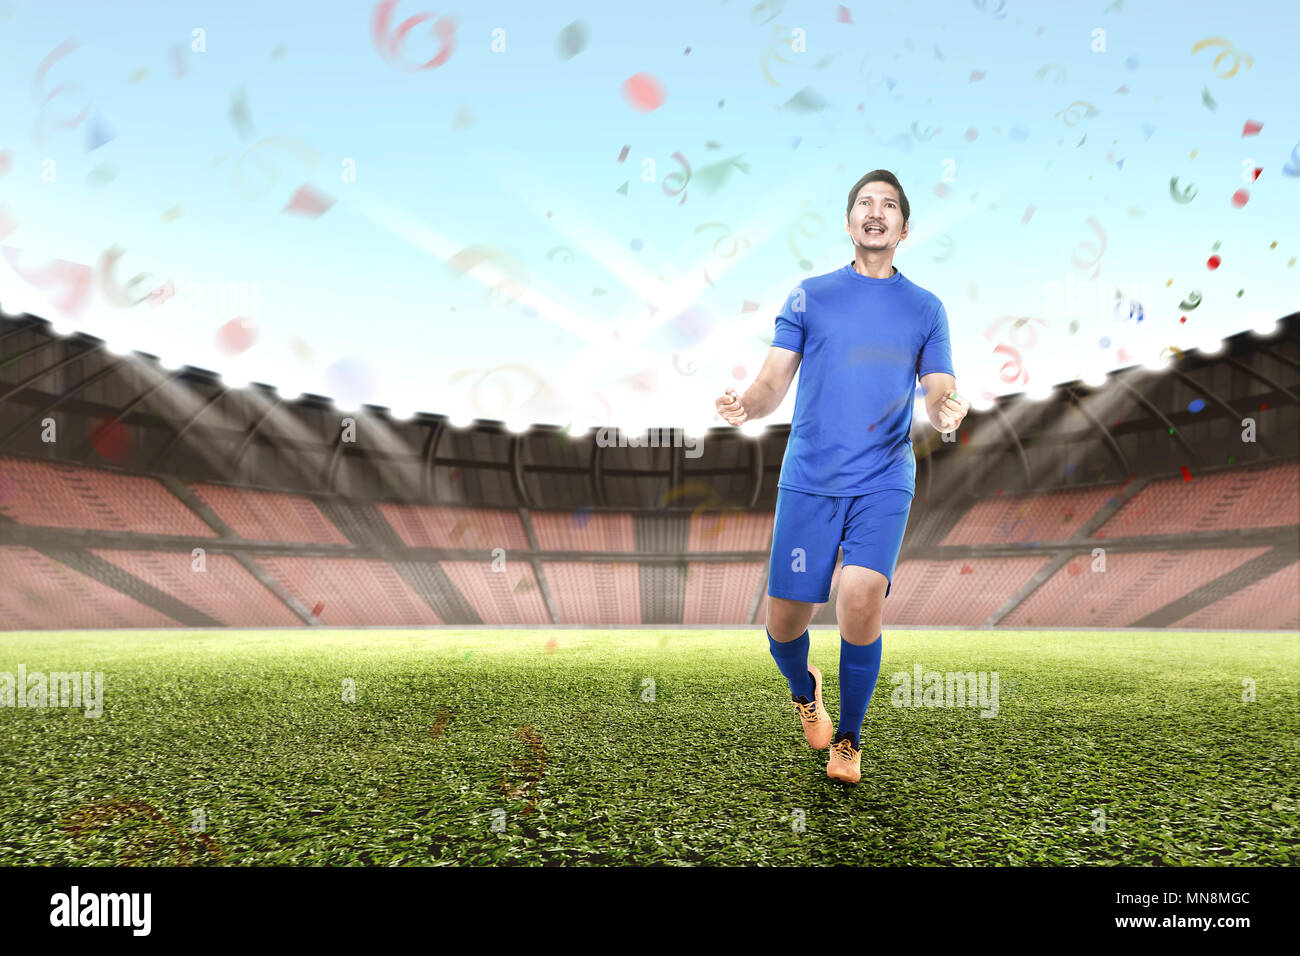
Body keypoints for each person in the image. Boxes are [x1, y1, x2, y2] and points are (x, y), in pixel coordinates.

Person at [715, 170, 969, 783]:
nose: (874, 212)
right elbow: (774, 380)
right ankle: (806, 693)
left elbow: (937, 389)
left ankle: (849, 741)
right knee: (783, 628)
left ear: (905, 229)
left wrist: (947, 409)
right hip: (810, 480)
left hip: (883, 478)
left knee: (860, 597)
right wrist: (747, 405)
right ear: (849, 221)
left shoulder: (926, 308)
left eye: (888, 206)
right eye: (863, 203)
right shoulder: (808, 296)